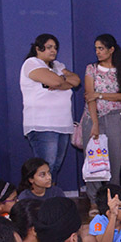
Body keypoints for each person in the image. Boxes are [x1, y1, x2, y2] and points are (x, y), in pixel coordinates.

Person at [20, 33, 80, 181]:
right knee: (46, 167)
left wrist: (59, 80)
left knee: (55, 167)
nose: (53, 50)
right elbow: (57, 82)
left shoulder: (58, 66)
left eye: (55, 47)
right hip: (42, 125)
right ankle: (40, 196)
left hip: (62, 124)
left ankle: (51, 195)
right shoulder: (32, 63)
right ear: (38, 49)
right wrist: (61, 82)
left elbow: (76, 80)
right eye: (49, 47)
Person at [82, 34, 121, 202]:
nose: (98, 52)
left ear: (111, 50)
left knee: (114, 161)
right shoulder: (91, 69)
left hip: (115, 118)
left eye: (101, 48)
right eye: (96, 48)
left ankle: (113, 199)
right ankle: (94, 201)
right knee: (93, 160)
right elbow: (89, 97)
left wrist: (100, 94)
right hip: (93, 118)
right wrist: (95, 124)